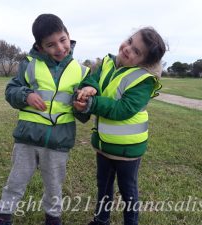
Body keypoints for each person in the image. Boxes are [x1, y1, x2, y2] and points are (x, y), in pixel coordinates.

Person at [0, 14, 90, 225]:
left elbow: (84, 112)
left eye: (62, 40)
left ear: (68, 36)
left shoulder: (81, 72)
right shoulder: (28, 64)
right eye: (51, 45)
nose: (60, 48)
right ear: (41, 46)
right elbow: (11, 91)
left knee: (54, 185)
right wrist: (25, 95)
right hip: (27, 138)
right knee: (15, 181)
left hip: (58, 142)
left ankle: (53, 218)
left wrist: (83, 106)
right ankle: (3, 216)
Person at [74, 27, 166, 225]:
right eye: (130, 41)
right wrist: (90, 87)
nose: (128, 49)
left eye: (136, 51)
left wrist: (93, 104)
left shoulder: (144, 80)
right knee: (104, 185)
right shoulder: (108, 62)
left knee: (128, 189)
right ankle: (101, 219)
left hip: (128, 149)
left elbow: (123, 109)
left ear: (145, 62)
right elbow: (93, 79)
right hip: (104, 143)